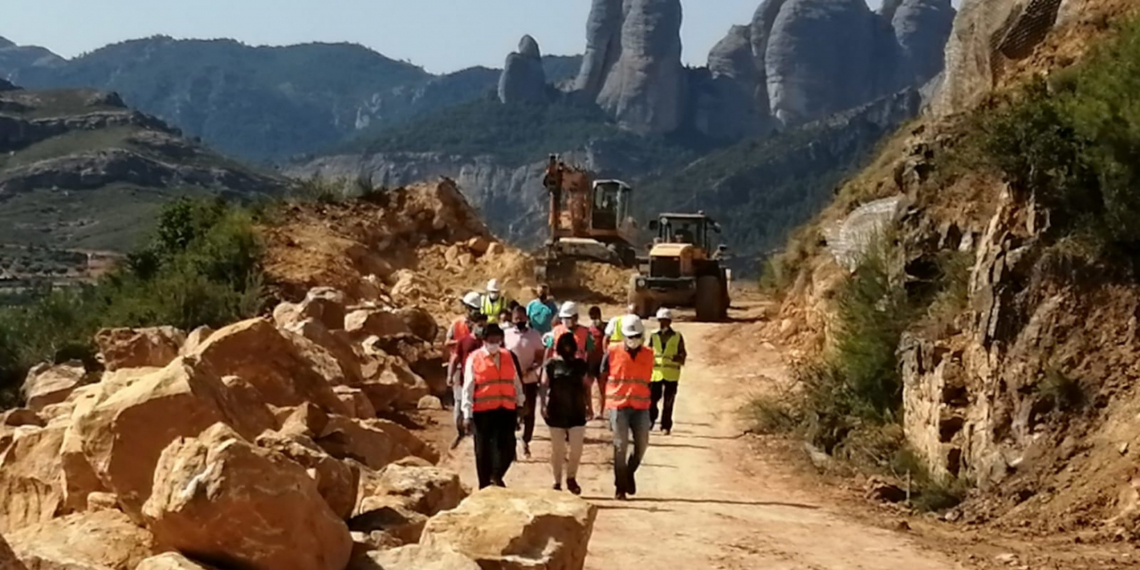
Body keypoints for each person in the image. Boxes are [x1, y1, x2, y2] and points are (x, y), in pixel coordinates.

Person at [462, 324, 526, 488]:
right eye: (491, 340)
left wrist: (520, 402)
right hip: (483, 412)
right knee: (483, 451)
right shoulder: (474, 358)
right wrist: (467, 414)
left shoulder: (508, 356)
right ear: (484, 340)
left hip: (505, 409)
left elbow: (515, 381)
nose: (494, 344)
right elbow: (468, 387)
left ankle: (496, 476)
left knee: (508, 448)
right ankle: (484, 484)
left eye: (497, 340)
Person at [600, 316, 654, 500]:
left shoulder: (649, 354)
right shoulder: (612, 351)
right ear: (623, 336)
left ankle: (629, 473)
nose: (633, 339)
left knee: (642, 445)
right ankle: (620, 486)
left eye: (637, 335)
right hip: (619, 405)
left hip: (641, 406)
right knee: (620, 446)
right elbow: (602, 373)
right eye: (630, 336)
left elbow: (651, 381)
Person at [542, 332, 589, 495]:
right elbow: (543, 385)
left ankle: (571, 478)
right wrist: (542, 404)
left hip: (577, 410)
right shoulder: (551, 365)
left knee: (576, 448)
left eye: (570, 345)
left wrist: (590, 406)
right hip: (555, 411)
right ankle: (557, 481)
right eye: (564, 345)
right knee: (558, 449)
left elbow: (586, 387)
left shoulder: (580, 365)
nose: (567, 348)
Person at [505, 306, 544, 459]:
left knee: (529, 412)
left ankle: (526, 440)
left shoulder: (534, 335)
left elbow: (541, 357)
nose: (519, 321)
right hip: (510, 381)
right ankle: (511, 445)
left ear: (527, 318)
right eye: (516, 318)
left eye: (521, 318)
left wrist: (531, 368)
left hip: (529, 380)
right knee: (511, 413)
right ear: (512, 319)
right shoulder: (506, 335)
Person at [448, 311, 488, 449]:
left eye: (484, 325)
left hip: (482, 382)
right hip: (465, 379)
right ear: (473, 325)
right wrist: (450, 375)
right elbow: (455, 358)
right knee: (459, 406)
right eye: (479, 325)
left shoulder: (487, 343)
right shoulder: (464, 341)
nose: (481, 328)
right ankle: (460, 432)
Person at [649, 308, 687, 435]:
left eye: (665, 321)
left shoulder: (677, 336)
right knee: (652, 400)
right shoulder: (654, 336)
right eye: (661, 321)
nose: (663, 323)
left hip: (671, 374)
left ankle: (666, 426)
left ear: (670, 322)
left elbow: (683, 354)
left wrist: (678, 358)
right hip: (656, 373)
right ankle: (651, 420)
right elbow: (648, 353)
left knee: (668, 402)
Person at [445, 291, 483, 357]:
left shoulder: (483, 325)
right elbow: (447, 343)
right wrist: (462, 342)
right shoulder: (457, 323)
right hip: (460, 360)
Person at [586, 306, 607, 419]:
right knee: (588, 387)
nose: (594, 319)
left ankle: (601, 412)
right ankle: (590, 411)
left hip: (602, 361)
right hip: (591, 362)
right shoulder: (589, 330)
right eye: (592, 317)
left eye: (595, 316)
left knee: (602, 388)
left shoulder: (606, 329)